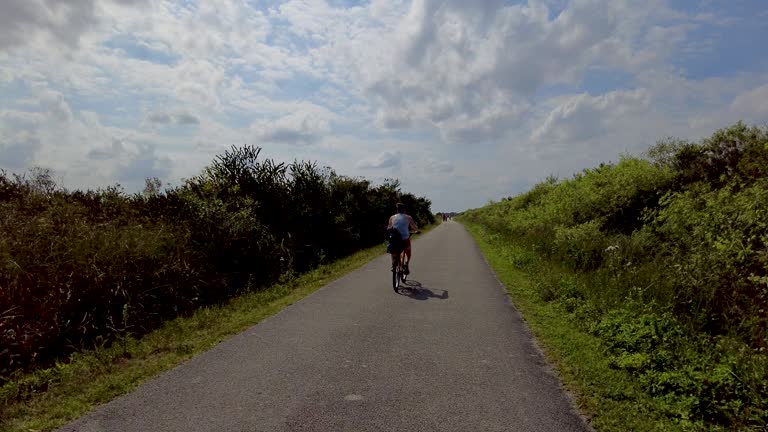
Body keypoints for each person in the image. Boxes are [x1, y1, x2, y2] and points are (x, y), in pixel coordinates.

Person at [387, 202, 419, 274]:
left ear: (397, 210)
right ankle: (406, 264)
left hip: (394, 239)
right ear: (404, 210)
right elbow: (414, 228)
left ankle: (393, 265)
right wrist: (416, 231)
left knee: (393, 251)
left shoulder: (392, 217)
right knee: (408, 253)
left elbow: (389, 228)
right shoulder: (408, 217)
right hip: (404, 239)